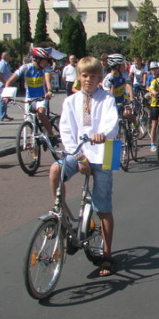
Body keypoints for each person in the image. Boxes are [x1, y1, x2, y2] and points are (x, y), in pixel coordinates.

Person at [49, 56, 119, 276]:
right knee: (55, 170)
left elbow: (112, 123)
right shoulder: (70, 101)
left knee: (103, 206)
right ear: (78, 76)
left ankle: (107, 254)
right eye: (84, 75)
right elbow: (66, 130)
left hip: (106, 151)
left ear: (100, 78)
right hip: (80, 151)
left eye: (93, 76)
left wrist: (103, 134)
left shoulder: (106, 99)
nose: (88, 80)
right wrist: (79, 157)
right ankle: (60, 212)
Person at [4, 47, 59, 146]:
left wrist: (50, 91)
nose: (46, 62)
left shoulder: (45, 69)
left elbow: (48, 81)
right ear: (38, 60)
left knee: (41, 113)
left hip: (41, 98)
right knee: (30, 125)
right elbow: (9, 82)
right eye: (45, 60)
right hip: (29, 98)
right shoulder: (25, 68)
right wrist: (7, 95)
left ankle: (51, 135)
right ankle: (34, 156)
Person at [0, 52, 14, 121]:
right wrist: (5, 82)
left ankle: (5, 115)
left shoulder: (6, 64)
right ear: (5, 57)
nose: (10, 57)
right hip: (3, 84)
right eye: (9, 56)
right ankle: (2, 116)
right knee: (3, 100)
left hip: (6, 84)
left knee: (6, 100)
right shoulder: (2, 64)